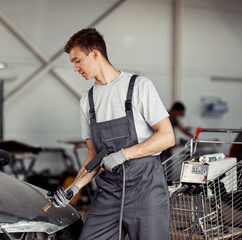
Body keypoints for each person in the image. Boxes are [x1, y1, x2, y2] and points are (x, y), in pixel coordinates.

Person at [48, 28, 175, 240]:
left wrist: (124, 154)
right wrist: (73, 188)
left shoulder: (139, 87)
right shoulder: (87, 102)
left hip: (146, 190)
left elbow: (167, 137)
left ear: (95, 54)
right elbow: (92, 156)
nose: (75, 68)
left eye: (77, 60)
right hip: (110, 193)